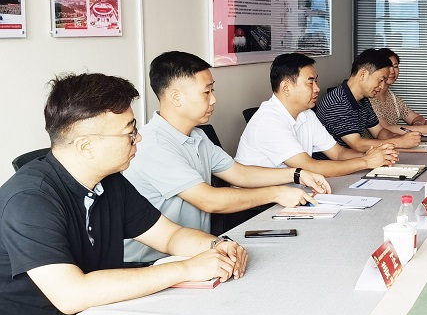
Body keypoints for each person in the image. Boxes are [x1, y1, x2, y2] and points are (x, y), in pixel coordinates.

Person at [0, 73, 248, 315]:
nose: (138, 138)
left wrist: (218, 247)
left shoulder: (110, 181)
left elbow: (170, 236)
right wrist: (186, 269)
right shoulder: (30, 199)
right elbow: (72, 294)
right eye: (129, 132)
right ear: (85, 146)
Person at [123, 51, 332, 263]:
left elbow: (240, 174)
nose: (214, 99)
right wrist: (276, 193)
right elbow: (210, 200)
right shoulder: (153, 145)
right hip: (150, 262)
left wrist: (297, 174)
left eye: (212, 90)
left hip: (196, 251)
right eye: (206, 92)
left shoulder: (197, 136)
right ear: (176, 97)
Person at [235, 53, 398, 173]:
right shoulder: (269, 121)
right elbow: (309, 166)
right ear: (286, 87)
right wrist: (366, 162)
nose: (317, 88)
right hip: (260, 204)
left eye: (316, 81)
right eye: (310, 83)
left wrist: (373, 155)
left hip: (292, 191)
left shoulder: (306, 114)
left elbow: (338, 153)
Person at [315, 49, 424, 151]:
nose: (382, 86)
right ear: (363, 74)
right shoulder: (338, 102)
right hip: (336, 163)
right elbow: (357, 144)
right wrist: (399, 142)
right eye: (380, 80)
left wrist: (397, 137)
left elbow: (379, 132)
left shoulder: (363, 99)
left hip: (356, 159)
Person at [369, 48, 427, 134]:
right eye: (388, 67)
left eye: (395, 66)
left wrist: (418, 124)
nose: (392, 71)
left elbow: (416, 117)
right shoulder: (369, 97)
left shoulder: (392, 97)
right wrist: (426, 129)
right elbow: (385, 129)